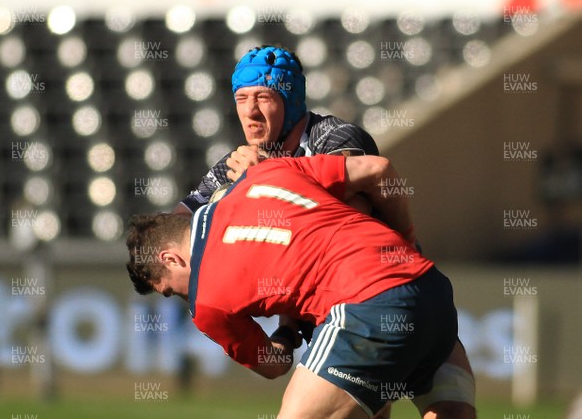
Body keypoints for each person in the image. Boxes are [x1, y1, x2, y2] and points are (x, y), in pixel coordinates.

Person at [126, 154, 476, 418]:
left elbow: (274, 364)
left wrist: (288, 332)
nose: (182, 297)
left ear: (171, 259)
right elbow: (378, 169)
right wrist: (406, 244)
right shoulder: (265, 172)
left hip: (367, 306)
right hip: (432, 291)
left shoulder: (206, 304)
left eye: (172, 289)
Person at [173, 44, 379, 215]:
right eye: (241, 99)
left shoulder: (336, 137)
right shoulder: (237, 163)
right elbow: (179, 223)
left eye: (263, 98)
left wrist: (267, 178)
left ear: (292, 103)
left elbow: (350, 220)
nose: (250, 111)